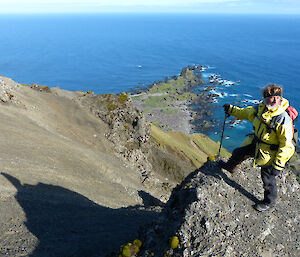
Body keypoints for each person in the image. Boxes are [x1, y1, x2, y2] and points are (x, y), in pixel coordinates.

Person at [218, 84, 295, 212]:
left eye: (277, 97)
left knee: (268, 177)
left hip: (271, 152)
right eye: (272, 97)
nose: (275, 100)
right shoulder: (259, 109)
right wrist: (231, 110)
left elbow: (286, 145)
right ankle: (229, 167)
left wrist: (278, 164)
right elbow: (244, 113)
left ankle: (269, 202)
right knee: (239, 152)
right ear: (265, 98)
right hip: (258, 144)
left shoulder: (282, 119)